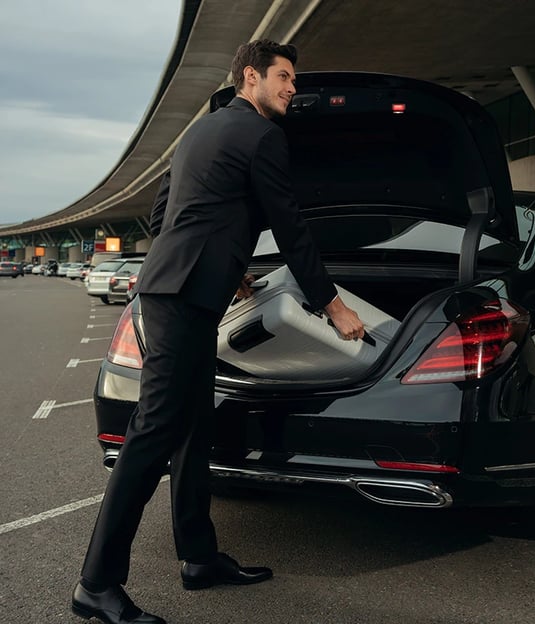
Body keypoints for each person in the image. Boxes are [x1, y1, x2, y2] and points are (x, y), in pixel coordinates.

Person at [71, 40, 365, 624]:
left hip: (176, 289)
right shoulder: (261, 136)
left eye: (293, 80)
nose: (291, 89)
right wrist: (332, 306)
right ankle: (96, 585)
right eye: (283, 77)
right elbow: (290, 225)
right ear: (250, 77)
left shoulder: (200, 133)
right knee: (153, 432)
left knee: (192, 427)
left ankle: (199, 558)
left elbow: (165, 215)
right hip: (182, 298)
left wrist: (221, 268)